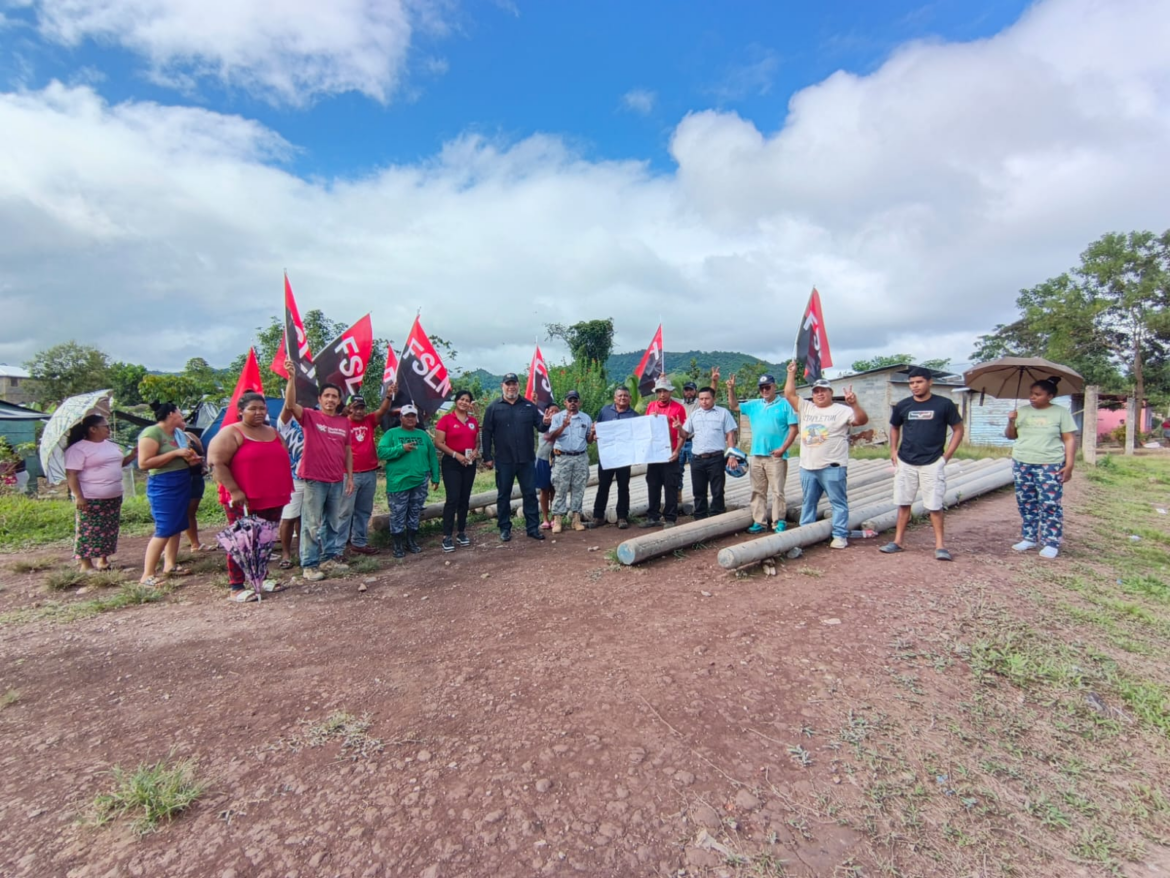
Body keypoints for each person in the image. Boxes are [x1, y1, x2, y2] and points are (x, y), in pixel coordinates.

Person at [209, 392, 295, 602]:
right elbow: (216, 462)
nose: (258, 412)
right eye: (252, 409)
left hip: (273, 496)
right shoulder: (231, 432)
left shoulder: (272, 432)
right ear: (240, 411)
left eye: (262, 409)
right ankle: (236, 586)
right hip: (244, 498)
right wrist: (234, 490)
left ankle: (262, 577)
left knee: (264, 540)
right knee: (242, 541)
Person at [879, 367, 965, 560]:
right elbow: (894, 427)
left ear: (930, 382)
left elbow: (958, 429)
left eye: (919, 382)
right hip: (906, 460)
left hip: (932, 461)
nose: (915, 386)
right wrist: (893, 450)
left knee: (934, 505)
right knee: (903, 502)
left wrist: (946, 457)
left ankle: (940, 546)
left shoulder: (944, 404)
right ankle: (898, 541)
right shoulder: (903, 405)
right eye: (911, 383)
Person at [783, 362, 868, 549]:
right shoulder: (807, 408)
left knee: (837, 502)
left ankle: (839, 535)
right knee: (808, 502)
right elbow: (789, 394)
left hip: (832, 466)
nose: (820, 394)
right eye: (816, 391)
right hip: (808, 466)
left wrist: (854, 404)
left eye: (824, 391)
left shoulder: (842, 410)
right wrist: (791, 373)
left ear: (830, 393)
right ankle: (805, 534)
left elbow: (861, 420)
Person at [282, 376, 354, 582]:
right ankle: (309, 564)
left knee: (332, 522)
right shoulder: (309, 416)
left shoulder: (343, 422)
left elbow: (347, 450)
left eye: (335, 397)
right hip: (314, 478)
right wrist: (291, 379)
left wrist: (349, 476)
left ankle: (329, 558)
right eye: (327, 396)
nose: (331, 400)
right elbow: (289, 404)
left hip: (336, 479)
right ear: (320, 399)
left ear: (339, 401)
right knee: (311, 524)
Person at [1005, 378, 1077, 559]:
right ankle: (1029, 537)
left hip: (1050, 463)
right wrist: (1011, 421)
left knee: (1050, 503)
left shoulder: (1060, 413)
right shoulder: (1021, 412)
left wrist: (1069, 465)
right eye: (1031, 394)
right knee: (1026, 501)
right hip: (1022, 461)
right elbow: (1011, 436)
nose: (1032, 397)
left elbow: (1069, 439)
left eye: (1038, 394)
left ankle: (1051, 542)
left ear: (1050, 396)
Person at [481, 373, 552, 542]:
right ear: (502, 386)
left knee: (529, 494)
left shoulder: (528, 406)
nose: (511, 387)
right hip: (504, 459)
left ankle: (532, 528)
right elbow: (486, 434)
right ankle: (505, 528)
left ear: (518, 386)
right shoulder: (493, 408)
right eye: (508, 384)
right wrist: (487, 456)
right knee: (503, 495)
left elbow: (541, 427)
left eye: (514, 384)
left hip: (526, 459)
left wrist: (547, 422)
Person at [727, 372, 799, 534]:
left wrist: (783, 449)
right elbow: (734, 406)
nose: (765, 390)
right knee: (757, 490)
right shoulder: (755, 405)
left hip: (776, 456)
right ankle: (759, 521)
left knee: (777, 490)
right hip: (757, 455)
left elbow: (794, 429)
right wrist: (731, 389)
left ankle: (779, 521)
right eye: (762, 388)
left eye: (767, 387)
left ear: (774, 387)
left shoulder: (785, 405)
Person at [138, 402, 201, 584]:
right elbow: (144, 463)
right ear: (171, 413)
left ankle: (170, 565)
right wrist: (175, 454)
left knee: (177, 525)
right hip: (163, 483)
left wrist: (192, 460)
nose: (182, 415)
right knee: (165, 527)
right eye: (180, 412)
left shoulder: (178, 434)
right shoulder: (152, 433)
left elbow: (184, 457)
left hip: (181, 479)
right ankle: (147, 575)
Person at [63, 414, 136, 573]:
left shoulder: (110, 445)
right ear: (93, 429)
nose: (108, 429)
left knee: (109, 528)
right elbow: (72, 474)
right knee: (88, 529)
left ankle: (103, 560)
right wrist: (79, 496)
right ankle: (85, 564)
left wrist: (132, 456)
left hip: (113, 495)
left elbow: (118, 464)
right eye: (105, 426)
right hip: (90, 496)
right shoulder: (78, 449)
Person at [377, 404, 441, 557]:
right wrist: (401, 449)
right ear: (401, 418)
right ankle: (397, 545)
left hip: (420, 479)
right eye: (407, 416)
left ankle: (411, 541)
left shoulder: (423, 435)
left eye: (413, 416)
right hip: (398, 482)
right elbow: (381, 452)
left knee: (415, 511)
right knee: (398, 513)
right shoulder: (391, 434)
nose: (411, 418)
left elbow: (432, 456)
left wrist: (436, 476)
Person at [338, 390, 394, 556]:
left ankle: (359, 542)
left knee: (363, 511)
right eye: (355, 407)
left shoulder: (369, 421)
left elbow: (382, 410)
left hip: (369, 473)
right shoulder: (341, 423)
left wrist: (389, 396)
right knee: (344, 512)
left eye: (361, 407)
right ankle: (337, 548)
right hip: (349, 475)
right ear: (349, 408)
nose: (359, 411)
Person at [681, 387, 739, 520]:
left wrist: (732, 454)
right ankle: (700, 518)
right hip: (697, 459)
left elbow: (730, 435)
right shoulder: (694, 415)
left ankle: (717, 518)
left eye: (707, 398)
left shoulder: (723, 413)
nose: (704, 402)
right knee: (698, 491)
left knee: (717, 491)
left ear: (714, 399)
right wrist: (679, 427)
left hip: (716, 458)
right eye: (701, 399)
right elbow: (684, 434)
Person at [434, 390, 480, 551]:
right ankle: (447, 535)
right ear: (456, 401)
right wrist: (456, 455)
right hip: (452, 463)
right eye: (462, 399)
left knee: (464, 498)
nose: (464, 402)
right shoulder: (446, 420)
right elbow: (438, 443)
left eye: (467, 400)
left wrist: (475, 452)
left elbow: (476, 441)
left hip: (469, 463)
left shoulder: (473, 421)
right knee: (452, 498)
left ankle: (461, 531)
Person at [590, 387, 639, 529]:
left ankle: (622, 517)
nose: (622, 398)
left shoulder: (635, 416)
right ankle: (598, 516)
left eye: (625, 396)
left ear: (630, 398)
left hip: (624, 458)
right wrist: (595, 433)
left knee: (623, 487)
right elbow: (596, 432)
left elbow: (639, 436)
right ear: (614, 398)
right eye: (620, 396)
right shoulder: (605, 411)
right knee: (603, 486)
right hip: (607, 456)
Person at [642, 378, 687, 528]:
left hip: (670, 453)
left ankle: (670, 518)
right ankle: (653, 516)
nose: (662, 394)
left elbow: (683, 433)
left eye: (665, 391)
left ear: (670, 392)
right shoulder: (650, 406)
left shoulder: (678, 408)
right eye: (659, 391)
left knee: (671, 485)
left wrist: (677, 451)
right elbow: (644, 429)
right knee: (653, 484)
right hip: (654, 454)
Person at [547, 390, 593, 533]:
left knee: (579, 489)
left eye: (575, 400)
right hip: (563, 457)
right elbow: (551, 436)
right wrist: (563, 426)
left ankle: (576, 519)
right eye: (570, 400)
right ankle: (558, 520)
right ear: (565, 402)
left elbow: (589, 440)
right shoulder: (557, 418)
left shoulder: (586, 418)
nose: (572, 403)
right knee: (560, 489)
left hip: (580, 457)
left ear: (579, 402)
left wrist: (593, 433)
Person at [277, 408, 304, 569]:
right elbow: (288, 405)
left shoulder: (313, 419)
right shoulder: (287, 422)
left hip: (312, 477)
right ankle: (286, 553)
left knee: (304, 518)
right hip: (292, 477)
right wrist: (292, 382)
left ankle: (303, 550)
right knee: (288, 517)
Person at [182, 430, 211, 552]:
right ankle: (166, 548)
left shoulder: (190, 436)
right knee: (174, 513)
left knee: (191, 512)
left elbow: (202, 453)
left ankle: (195, 543)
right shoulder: (166, 438)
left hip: (196, 476)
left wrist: (204, 465)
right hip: (180, 477)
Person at [536, 403, 559, 529]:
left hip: (558, 460)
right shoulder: (543, 424)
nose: (554, 413)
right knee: (544, 489)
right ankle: (545, 518)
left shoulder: (562, 425)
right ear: (547, 412)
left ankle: (555, 517)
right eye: (551, 411)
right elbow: (548, 435)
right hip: (543, 459)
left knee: (555, 489)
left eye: (557, 411)